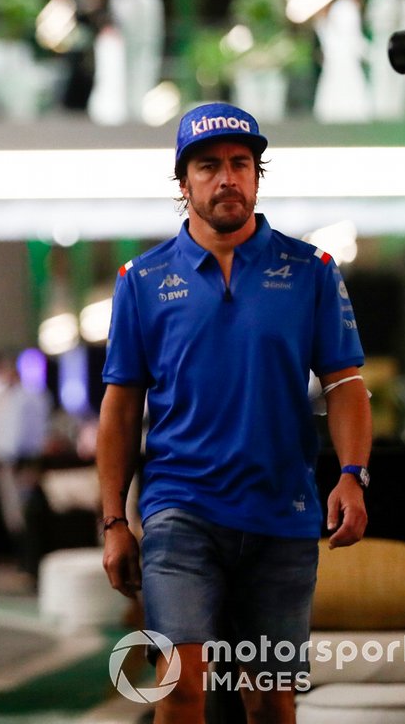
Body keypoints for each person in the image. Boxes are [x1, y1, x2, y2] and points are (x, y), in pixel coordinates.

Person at [97, 102, 371, 722]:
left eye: (241, 164)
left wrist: (353, 475)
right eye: (209, 166)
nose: (227, 179)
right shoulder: (141, 279)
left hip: (283, 511)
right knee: (180, 686)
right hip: (180, 510)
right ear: (183, 182)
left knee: (270, 702)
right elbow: (120, 407)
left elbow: (346, 383)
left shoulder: (312, 271)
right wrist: (114, 518)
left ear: (256, 175)